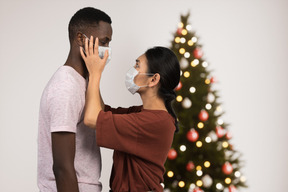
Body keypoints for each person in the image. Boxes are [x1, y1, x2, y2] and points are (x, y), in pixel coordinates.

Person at [80, 36, 180, 192]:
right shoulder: (140, 113)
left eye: (137, 65)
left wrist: (95, 74)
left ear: (153, 79)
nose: (132, 69)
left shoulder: (155, 122)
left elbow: (92, 118)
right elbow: (101, 111)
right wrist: (92, 71)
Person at [37, 7, 112, 192]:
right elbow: (62, 167)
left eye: (108, 43)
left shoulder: (84, 81)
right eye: (103, 42)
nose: (106, 50)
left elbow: (101, 121)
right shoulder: (65, 86)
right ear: (80, 38)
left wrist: (95, 75)